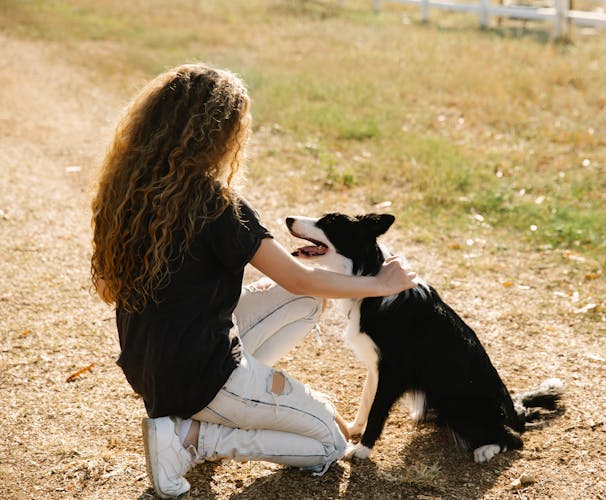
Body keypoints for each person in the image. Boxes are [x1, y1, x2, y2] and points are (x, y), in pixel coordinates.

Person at [90, 63, 416, 498]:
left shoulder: (128, 188)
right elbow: (301, 278)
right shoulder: (216, 204)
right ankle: (193, 439)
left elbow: (297, 290)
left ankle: (211, 414)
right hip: (200, 373)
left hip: (151, 367)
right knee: (329, 442)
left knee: (301, 304)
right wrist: (382, 283)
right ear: (217, 135)